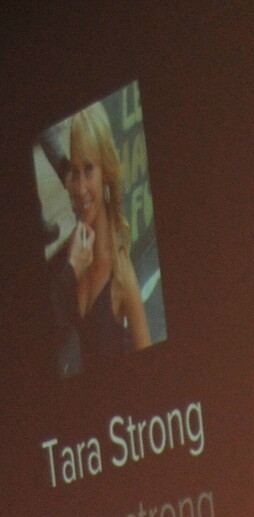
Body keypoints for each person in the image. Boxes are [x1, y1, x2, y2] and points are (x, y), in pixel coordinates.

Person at [54, 104, 150, 367]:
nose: (80, 187)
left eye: (88, 169)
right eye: (75, 171)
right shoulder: (76, 253)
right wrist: (71, 272)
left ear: (105, 172)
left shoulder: (122, 273)